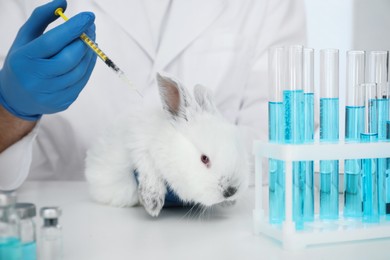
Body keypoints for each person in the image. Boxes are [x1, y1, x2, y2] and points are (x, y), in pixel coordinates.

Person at [0, 0, 306, 190]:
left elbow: (282, 141)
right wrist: (11, 112)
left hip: (216, 236)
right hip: (67, 224)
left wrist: (183, 174)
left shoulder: (268, 5)